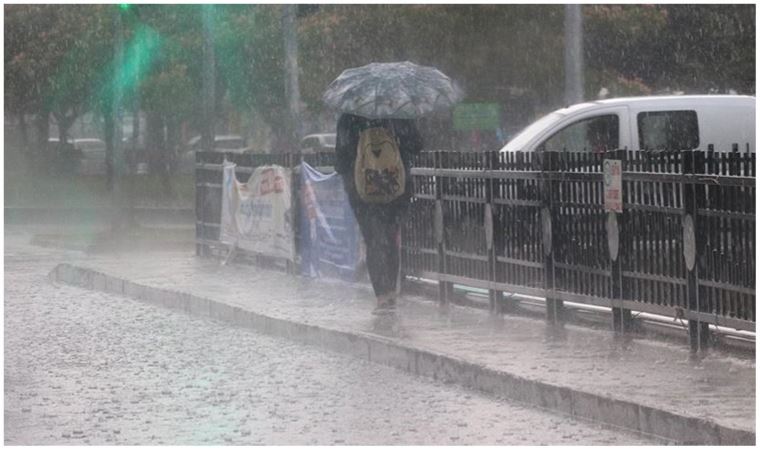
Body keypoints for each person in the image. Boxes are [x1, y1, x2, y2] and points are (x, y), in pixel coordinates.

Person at [335, 113, 424, 314]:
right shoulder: (398, 114)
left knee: (373, 240)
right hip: (396, 188)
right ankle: (391, 292)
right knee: (391, 237)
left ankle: (381, 297)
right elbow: (417, 145)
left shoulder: (349, 116)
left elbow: (340, 161)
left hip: (362, 192)